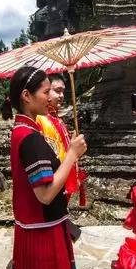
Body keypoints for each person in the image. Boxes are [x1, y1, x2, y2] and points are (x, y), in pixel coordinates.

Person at [7, 66, 87, 269]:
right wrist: (71, 156)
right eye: (44, 92)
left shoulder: (28, 130)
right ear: (27, 97)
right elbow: (44, 194)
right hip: (39, 230)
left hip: (41, 226)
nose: (49, 98)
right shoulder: (29, 137)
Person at [36, 75, 81, 205]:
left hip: (63, 174)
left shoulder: (57, 119)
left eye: (63, 91)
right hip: (53, 177)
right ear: (45, 92)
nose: (61, 95)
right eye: (57, 91)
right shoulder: (41, 119)